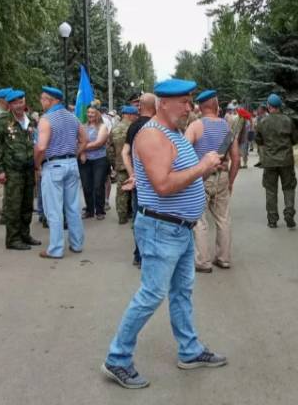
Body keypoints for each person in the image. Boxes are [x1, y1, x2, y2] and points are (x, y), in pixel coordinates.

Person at [102, 79, 225, 389]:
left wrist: (202, 168)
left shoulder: (174, 133)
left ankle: (190, 350)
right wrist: (202, 167)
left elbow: (166, 177)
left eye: (190, 101)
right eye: (184, 101)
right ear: (163, 103)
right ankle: (117, 358)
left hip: (178, 228)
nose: (190, 107)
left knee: (182, 291)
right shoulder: (152, 136)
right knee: (151, 294)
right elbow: (163, 185)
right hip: (161, 228)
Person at [186, 89, 241, 273]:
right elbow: (236, 158)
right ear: (216, 106)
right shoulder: (227, 128)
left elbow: (182, 153)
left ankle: (203, 261)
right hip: (222, 176)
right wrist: (231, 181)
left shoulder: (195, 126)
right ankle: (224, 258)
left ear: (200, 107)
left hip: (200, 177)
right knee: (223, 218)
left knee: (200, 220)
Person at [34, 86, 87, 259]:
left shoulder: (46, 119)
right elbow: (85, 139)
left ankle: (56, 249)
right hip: (71, 164)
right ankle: (77, 244)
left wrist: (37, 164)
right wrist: (75, 154)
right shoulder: (73, 117)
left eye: (43, 99)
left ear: (51, 100)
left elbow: (41, 146)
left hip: (53, 166)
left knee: (54, 210)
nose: (41, 102)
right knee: (73, 207)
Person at [0, 89, 42, 251]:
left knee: (27, 204)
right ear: (9, 105)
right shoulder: (2, 121)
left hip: (28, 168)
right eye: (15, 103)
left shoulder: (31, 122)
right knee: (14, 205)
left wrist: (37, 164)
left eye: (21, 102)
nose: (19, 105)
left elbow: (35, 144)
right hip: (12, 170)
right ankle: (12, 239)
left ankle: (24, 234)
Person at [121, 93, 156, 267]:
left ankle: (139, 254)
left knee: (138, 216)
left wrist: (132, 173)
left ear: (140, 107)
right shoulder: (158, 125)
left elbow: (124, 153)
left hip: (139, 182)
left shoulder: (133, 126)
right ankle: (149, 256)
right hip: (156, 181)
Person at [256, 93, 297, 228]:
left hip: (269, 161)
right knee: (289, 187)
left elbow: (259, 140)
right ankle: (289, 212)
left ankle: (272, 220)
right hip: (286, 160)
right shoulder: (287, 120)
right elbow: (294, 139)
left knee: (271, 190)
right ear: (279, 106)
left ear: (268, 106)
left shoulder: (263, 121)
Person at [108, 105, 138, 224]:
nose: (136, 117)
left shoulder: (114, 129)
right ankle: (135, 217)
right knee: (135, 192)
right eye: (135, 115)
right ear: (130, 115)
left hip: (120, 165)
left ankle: (122, 217)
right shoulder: (135, 128)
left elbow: (109, 149)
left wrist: (113, 163)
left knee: (121, 192)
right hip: (134, 166)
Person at [79, 107, 110, 220]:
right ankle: (89, 210)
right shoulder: (83, 126)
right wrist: (81, 152)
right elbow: (77, 140)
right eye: (88, 112)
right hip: (85, 160)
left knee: (98, 186)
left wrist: (82, 148)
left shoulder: (102, 127)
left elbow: (99, 142)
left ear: (97, 114)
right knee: (86, 186)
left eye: (92, 112)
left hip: (99, 160)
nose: (90, 114)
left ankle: (100, 211)